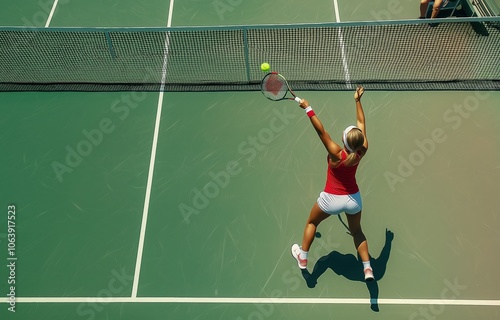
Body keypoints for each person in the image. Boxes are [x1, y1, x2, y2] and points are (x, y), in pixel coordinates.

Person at [291, 86, 374, 281]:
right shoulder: (362, 150)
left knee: (312, 222)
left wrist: (307, 108)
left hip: (331, 200)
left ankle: (302, 258)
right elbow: (361, 122)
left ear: (344, 141)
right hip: (353, 199)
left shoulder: (336, 153)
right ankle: (368, 268)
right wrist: (357, 100)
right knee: (357, 232)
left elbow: (321, 131)